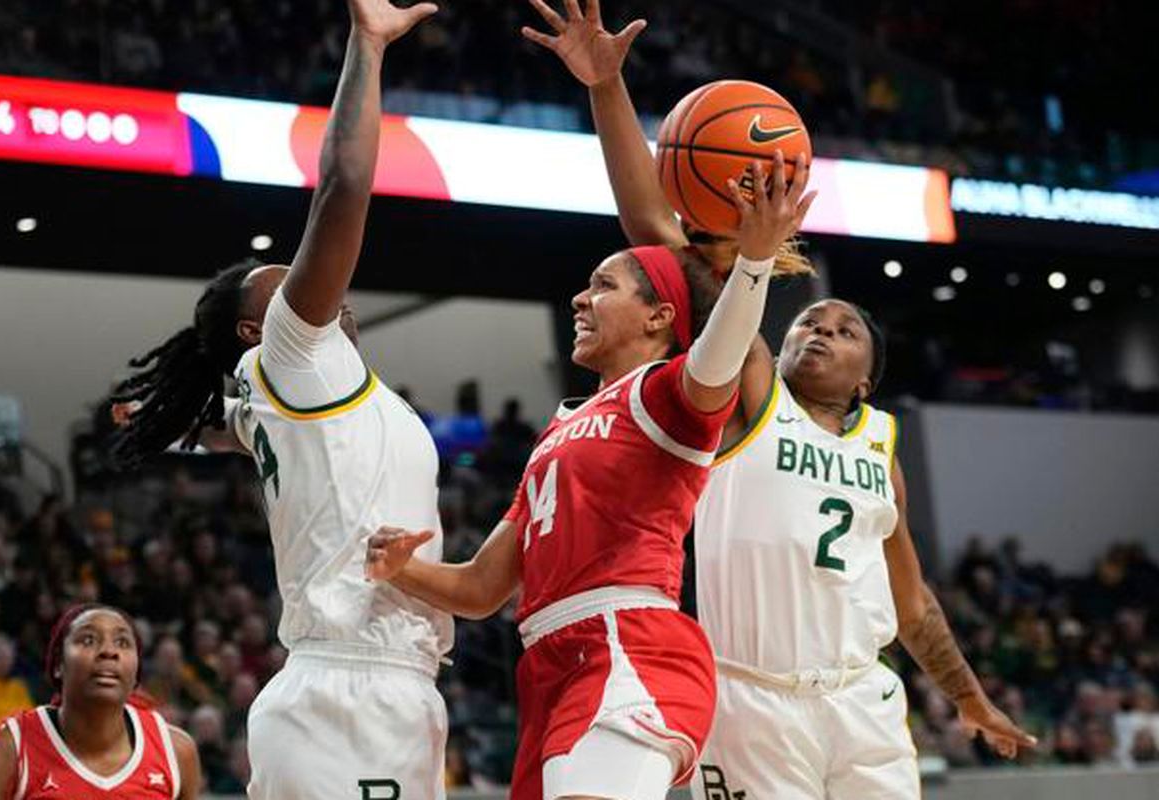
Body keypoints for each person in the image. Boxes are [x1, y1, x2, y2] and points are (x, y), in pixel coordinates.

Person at [522, 1, 1036, 797]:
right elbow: (658, 231)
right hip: (754, 697)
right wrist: (608, 91)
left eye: (843, 330)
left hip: (864, 699)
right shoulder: (749, 392)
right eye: (811, 322)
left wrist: (969, 700)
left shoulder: (881, 446)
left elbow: (913, 605)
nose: (819, 332)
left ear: (868, 377)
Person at [366, 136, 815, 799]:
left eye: (603, 286)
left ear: (659, 316)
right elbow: (485, 587)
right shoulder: (559, 432)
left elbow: (719, 354)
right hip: (549, 665)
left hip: (628, 642)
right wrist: (403, 570)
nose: (580, 299)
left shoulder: (667, 394)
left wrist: (750, 262)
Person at [106, 0, 451, 797]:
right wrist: (367, 47)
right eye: (288, 292)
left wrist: (167, 426)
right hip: (347, 686)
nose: (319, 293)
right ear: (261, 330)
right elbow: (344, 183)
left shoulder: (296, 399)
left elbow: (225, 430)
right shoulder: (294, 357)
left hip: (392, 683)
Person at [0, 604, 201, 799]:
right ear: (58, 664)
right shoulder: (7, 748)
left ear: (136, 671)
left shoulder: (177, 751)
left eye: (122, 642)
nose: (109, 651)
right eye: (88, 640)